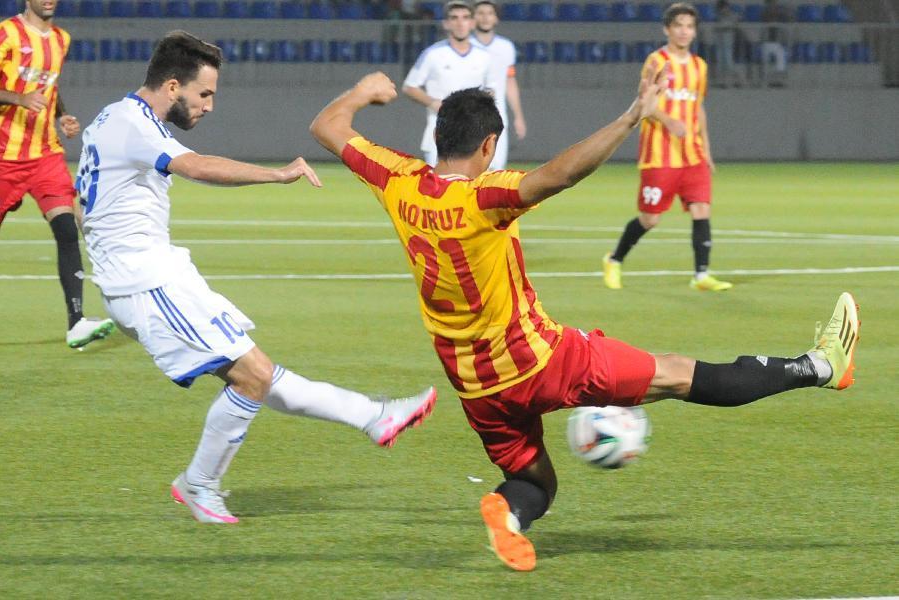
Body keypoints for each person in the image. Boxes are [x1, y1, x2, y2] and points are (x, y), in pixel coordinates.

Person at [309, 69, 859, 571]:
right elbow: (560, 174)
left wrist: (361, 93)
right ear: (489, 145)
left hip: (476, 389)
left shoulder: (398, 180)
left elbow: (326, 127)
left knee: (534, 482)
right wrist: (631, 117)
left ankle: (509, 515)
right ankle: (820, 366)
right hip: (542, 360)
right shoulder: (484, 197)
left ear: (438, 137)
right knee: (680, 375)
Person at [77, 31, 437, 525]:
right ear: (173, 85)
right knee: (254, 376)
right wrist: (277, 174)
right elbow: (196, 166)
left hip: (153, 275)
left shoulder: (111, 117)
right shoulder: (133, 124)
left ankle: (372, 416)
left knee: (259, 374)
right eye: (204, 94)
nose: (209, 106)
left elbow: (88, 204)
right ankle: (199, 484)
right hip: (147, 283)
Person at [0, 0, 115, 348]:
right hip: (4, 156)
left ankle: (76, 322)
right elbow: (25, 93)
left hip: (45, 154)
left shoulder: (61, 39)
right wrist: (18, 98)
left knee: (66, 229)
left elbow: (48, 88)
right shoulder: (6, 33)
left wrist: (60, 115)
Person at [603, 2, 732, 292]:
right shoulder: (656, 61)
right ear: (667, 30)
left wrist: (706, 149)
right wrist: (669, 121)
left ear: (695, 31)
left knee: (701, 209)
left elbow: (698, 108)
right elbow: (644, 103)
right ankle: (614, 259)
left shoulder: (699, 66)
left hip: (693, 154)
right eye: (678, 26)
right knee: (651, 219)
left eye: (690, 26)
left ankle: (701, 276)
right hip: (659, 154)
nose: (684, 31)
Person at [402, 0, 498, 166]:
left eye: (465, 18)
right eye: (454, 18)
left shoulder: (484, 57)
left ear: (472, 23)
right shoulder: (433, 54)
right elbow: (409, 87)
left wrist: (477, 107)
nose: (460, 23)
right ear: (446, 24)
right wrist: (433, 103)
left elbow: (491, 89)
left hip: (473, 134)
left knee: (471, 182)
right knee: (439, 181)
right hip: (440, 132)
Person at [470, 0, 526, 170]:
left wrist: (518, 116)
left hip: (497, 114)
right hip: (469, 114)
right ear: (473, 18)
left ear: (496, 18)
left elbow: (510, 81)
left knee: (497, 167)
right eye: (480, 13)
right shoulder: (466, 45)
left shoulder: (505, 47)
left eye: (490, 13)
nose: (485, 17)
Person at [760, 0, 789, 87]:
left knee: (781, 56)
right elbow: (767, 19)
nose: (773, 5)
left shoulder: (779, 13)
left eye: (774, 3)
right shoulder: (765, 13)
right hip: (766, 43)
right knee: (765, 60)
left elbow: (788, 17)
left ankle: (778, 80)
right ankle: (765, 81)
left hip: (776, 43)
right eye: (771, 3)